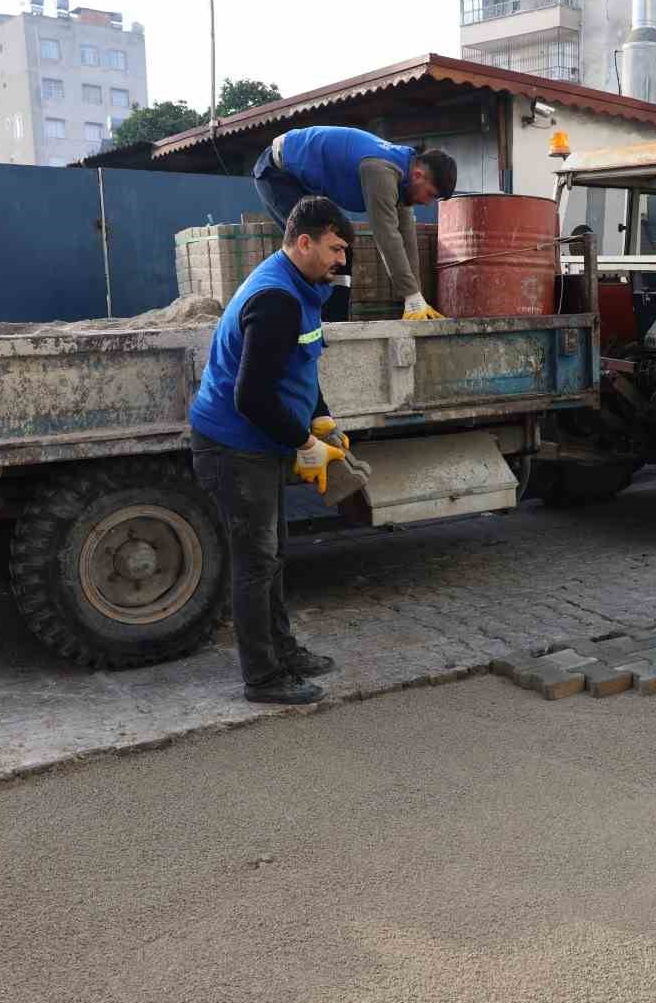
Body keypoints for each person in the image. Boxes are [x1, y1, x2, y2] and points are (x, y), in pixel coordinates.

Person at [189, 196, 363, 706]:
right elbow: (252, 397)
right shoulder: (275, 299)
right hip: (233, 446)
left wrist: (322, 417)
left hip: (259, 442)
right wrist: (304, 443)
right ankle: (262, 678)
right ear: (303, 242)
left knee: (274, 554)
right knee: (255, 562)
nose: (341, 261)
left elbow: (300, 363)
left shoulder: (301, 286)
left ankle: (283, 652)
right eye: (335, 249)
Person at [251, 125, 457, 323]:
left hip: (304, 183)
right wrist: (410, 293)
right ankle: (291, 319)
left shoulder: (404, 175)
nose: (427, 202)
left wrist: (415, 298)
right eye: (430, 194)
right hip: (278, 174)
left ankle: (334, 325)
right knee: (314, 251)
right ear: (418, 175)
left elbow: (406, 239)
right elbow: (387, 236)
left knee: (341, 252)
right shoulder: (381, 172)